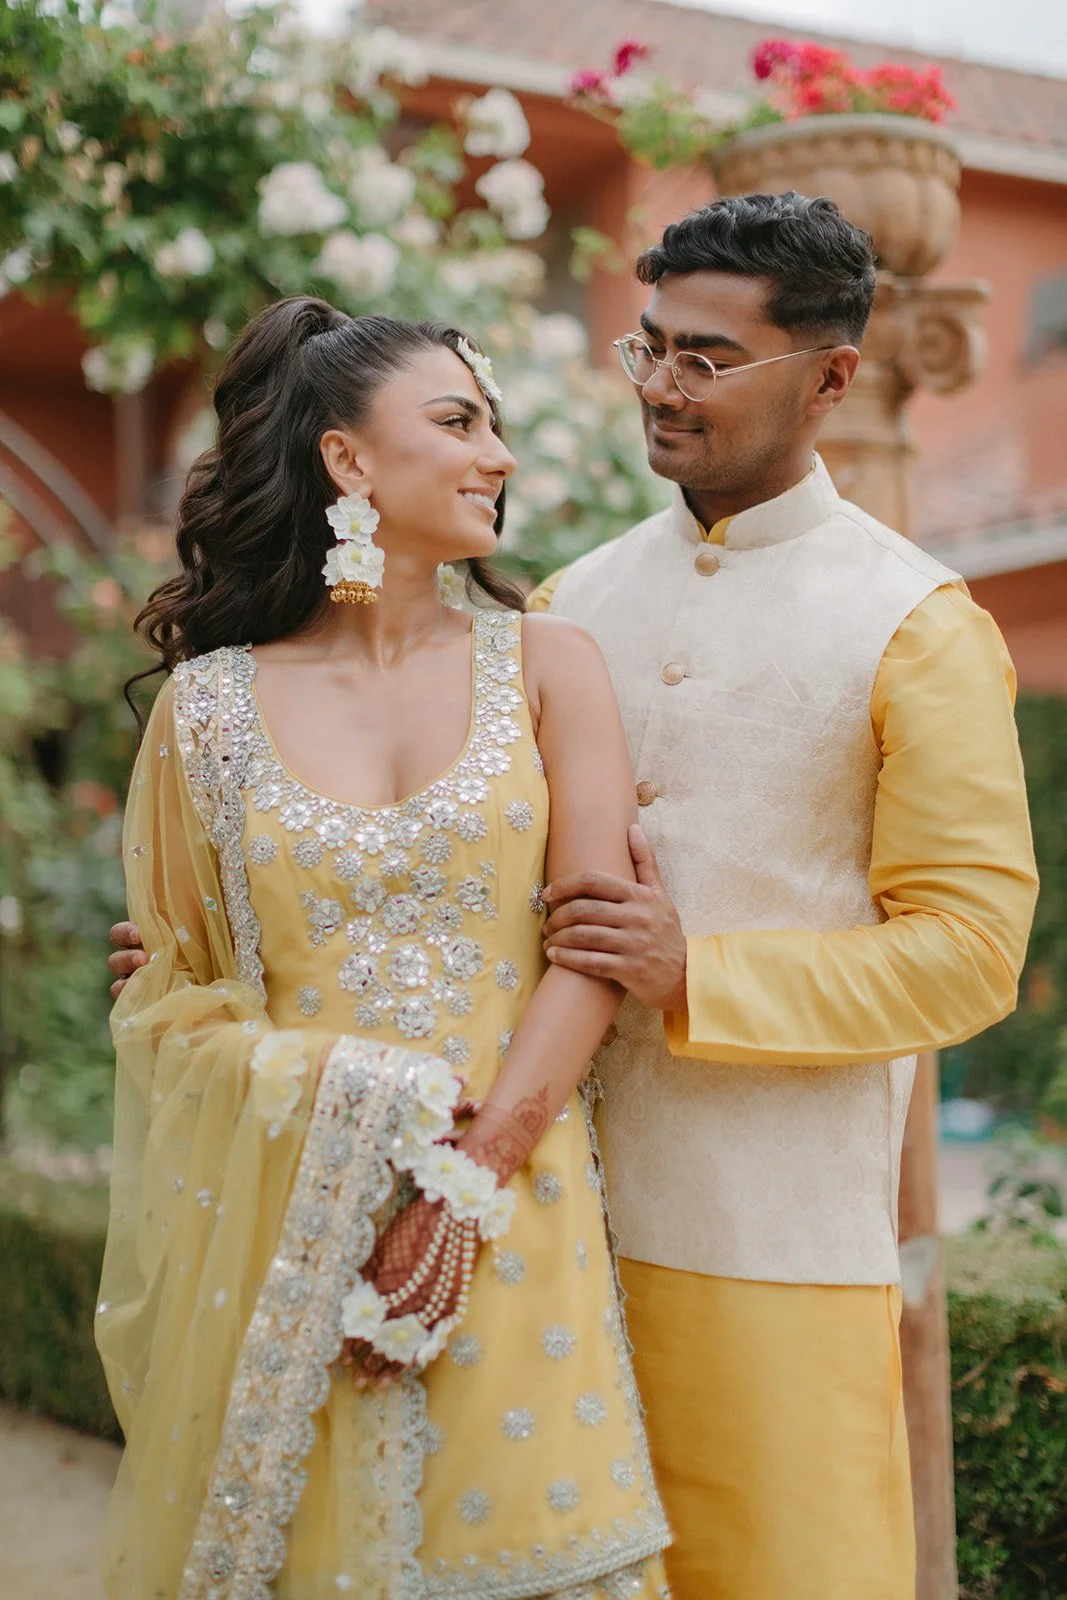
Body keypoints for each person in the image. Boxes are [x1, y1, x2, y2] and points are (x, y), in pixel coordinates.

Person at [97, 297, 670, 1599]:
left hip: (516, 1201)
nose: (499, 458)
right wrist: (332, 1085)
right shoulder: (208, 712)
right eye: (460, 423)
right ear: (348, 461)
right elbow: (169, 1001)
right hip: (287, 1227)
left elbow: (587, 945)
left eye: (499, 429)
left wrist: (469, 1181)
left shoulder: (549, 664)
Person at [521, 193, 1039, 1600]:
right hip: (548, 1223)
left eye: (707, 359)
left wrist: (699, 973)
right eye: (649, 350)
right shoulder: (566, 602)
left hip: (774, 1247)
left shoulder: (913, 620)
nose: (662, 389)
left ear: (829, 378)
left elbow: (967, 956)